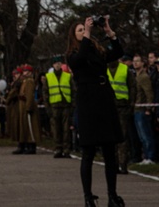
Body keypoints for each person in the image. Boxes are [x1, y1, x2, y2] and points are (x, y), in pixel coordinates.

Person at [67, 15, 125, 207]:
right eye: (80, 31)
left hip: (104, 99)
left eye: (85, 29)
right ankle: (88, 196)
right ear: (74, 36)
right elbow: (80, 59)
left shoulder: (97, 49)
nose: (84, 33)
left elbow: (117, 52)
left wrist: (109, 32)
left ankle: (112, 195)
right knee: (89, 152)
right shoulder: (73, 54)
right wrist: (88, 34)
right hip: (88, 103)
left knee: (110, 151)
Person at [107, 54, 135, 172]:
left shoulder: (124, 69)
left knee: (122, 136)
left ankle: (123, 163)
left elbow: (132, 87)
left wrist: (131, 105)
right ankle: (113, 164)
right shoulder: (103, 69)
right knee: (110, 138)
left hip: (123, 106)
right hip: (108, 107)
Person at [46, 58, 73, 158]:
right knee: (56, 129)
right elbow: (46, 93)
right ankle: (58, 148)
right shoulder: (48, 77)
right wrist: (48, 107)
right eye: (55, 64)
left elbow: (73, 90)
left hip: (65, 105)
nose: (57, 65)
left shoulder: (67, 76)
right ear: (53, 65)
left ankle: (66, 149)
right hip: (54, 105)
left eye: (59, 63)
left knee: (66, 129)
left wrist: (72, 106)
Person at [132, 55, 155, 165]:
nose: (135, 63)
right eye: (134, 61)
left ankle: (150, 156)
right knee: (141, 135)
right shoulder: (136, 76)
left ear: (142, 63)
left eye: (137, 61)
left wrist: (148, 108)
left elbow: (148, 93)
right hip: (136, 109)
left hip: (142, 109)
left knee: (146, 135)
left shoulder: (144, 77)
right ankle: (145, 156)